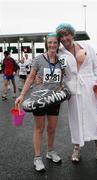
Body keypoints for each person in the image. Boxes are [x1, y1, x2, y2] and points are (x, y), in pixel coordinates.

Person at [56, 23, 97, 164]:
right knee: (75, 119)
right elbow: (58, 71)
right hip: (73, 90)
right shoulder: (60, 53)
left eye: (66, 34)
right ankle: (76, 148)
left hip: (91, 88)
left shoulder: (87, 47)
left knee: (95, 118)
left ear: (72, 34)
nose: (64, 38)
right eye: (61, 36)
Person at [15, 33, 62, 172]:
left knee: (52, 128)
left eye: (55, 43)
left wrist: (62, 86)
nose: (52, 45)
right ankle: (37, 157)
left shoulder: (61, 61)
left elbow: (64, 76)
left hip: (54, 98)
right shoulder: (38, 59)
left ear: (58, 45)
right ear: (46, 44)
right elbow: (30, 78)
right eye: (50, 43)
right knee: (39, 128)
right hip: (39, 99)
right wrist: (22, 95)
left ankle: (50, 151)